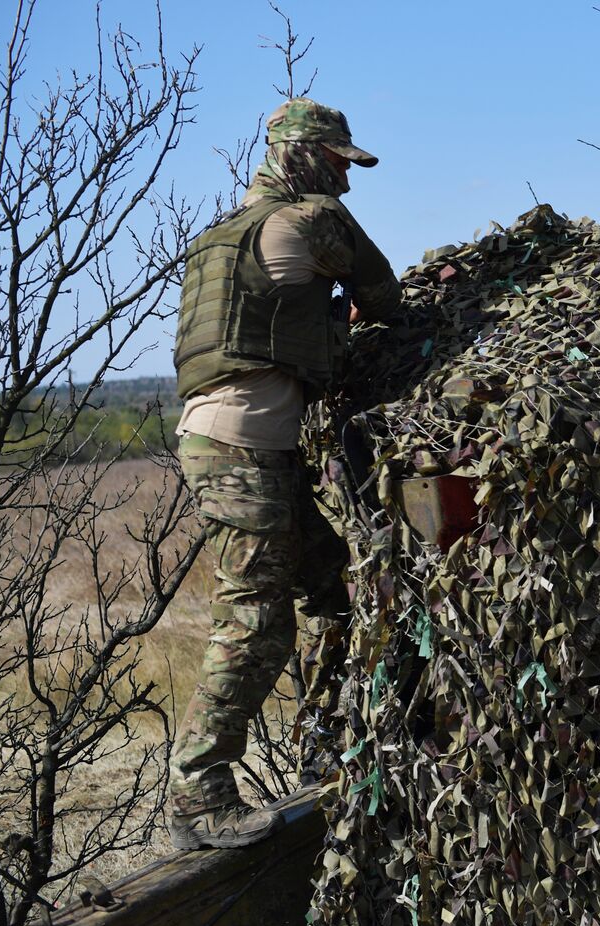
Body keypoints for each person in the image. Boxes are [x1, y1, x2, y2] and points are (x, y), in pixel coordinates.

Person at [168, 98, 401, 849]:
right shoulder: (309, 222)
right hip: (247, 447)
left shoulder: (217, 237)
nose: (346, 180)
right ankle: (199, 792)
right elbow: (388, 297)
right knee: (255, 618)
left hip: (228, 440)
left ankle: (338, 740)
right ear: (304, 157)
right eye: (338, 163)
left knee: (336, 584)